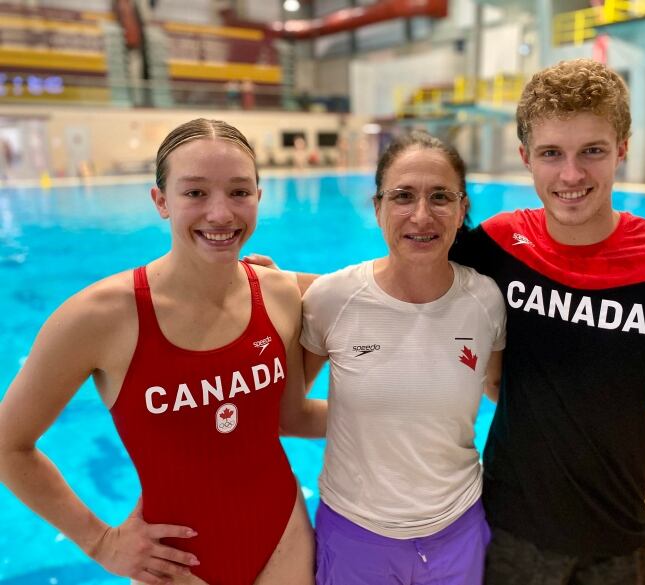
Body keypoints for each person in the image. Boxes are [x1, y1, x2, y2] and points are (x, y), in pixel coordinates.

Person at [0, 119, 325, 585]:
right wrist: (99, 542)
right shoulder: (98, 316)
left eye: (239, 192)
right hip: (175, 562)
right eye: (195, 193)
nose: (220, 214)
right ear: (161, 201)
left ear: (259, 196)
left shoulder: (283, 293)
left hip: (284, 535)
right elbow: (8, 445)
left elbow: (379, 295)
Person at [449, 59, 645, 585]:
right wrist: (266, 282)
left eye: (592, 151)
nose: (571, 175)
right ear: (525, 158)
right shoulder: (499, 245)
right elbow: (402, 277)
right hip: (507, 530)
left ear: (622, 148)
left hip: (617, 536)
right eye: (552, 154)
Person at [300, 131, 506, 584]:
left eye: (440, 197)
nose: (421, 215)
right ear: (376, 207)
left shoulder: (486, 300)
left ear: (462, 208)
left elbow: (497, 388)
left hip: (459, 528)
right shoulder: (331, 299)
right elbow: (284, 413)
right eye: (402, 196)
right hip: (357, 533)